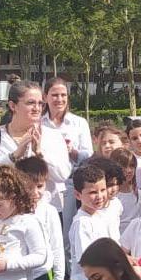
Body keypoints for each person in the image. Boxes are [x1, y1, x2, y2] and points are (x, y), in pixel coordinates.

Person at [0, 80, 71, 189]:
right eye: (30, 103)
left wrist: (40, 154)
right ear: (13, 106)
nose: (37, 108)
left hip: (44, 199)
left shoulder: (53, 135)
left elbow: (62, 175)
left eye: (40, 103)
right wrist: (13, 157)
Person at [42, 77, 93, 233]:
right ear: (45, 97)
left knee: (68, 232)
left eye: (63, 95)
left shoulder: (79, 123)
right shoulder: (38, 123)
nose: (59, 99)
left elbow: (89, 156)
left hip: (71, 184)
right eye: (54, 95)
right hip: (46, 185)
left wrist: (72, 151)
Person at [109, 148, 141, 235]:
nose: (129, 170)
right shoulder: (111, 196)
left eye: (131, 166)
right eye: (123, 166)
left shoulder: (140, 194)